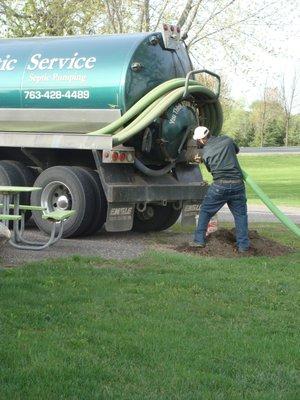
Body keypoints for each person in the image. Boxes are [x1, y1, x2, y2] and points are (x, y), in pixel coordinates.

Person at [190, 126, 250, 252]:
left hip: (219, 186)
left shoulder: (205, 153)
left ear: (201, 140)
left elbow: (211, 170)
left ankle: (199, 240)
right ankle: (243, 246)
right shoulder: (227, 140)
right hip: (238, 184)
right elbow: (236, 150)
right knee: (241, 216)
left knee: (205, 211)